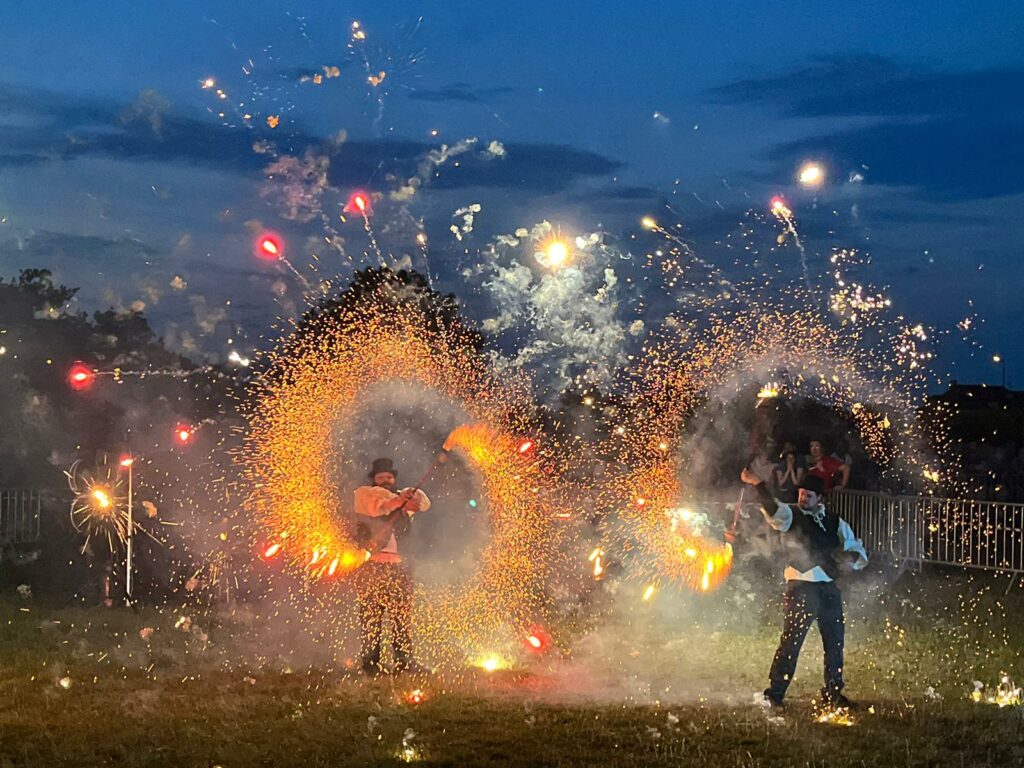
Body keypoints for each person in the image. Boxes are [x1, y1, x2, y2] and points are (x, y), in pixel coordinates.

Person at [740, 467, 868, 708]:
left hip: (828, 588)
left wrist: (850, 559)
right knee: (791, 642)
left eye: (808, 495)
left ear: (820, 498)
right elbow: (773, 509)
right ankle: (775, 694)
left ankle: (833, 693)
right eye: (801, 494)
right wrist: (758, 483)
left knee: (834, 642)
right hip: (801, 588)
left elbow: (856, 548)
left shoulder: (834, 521)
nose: (802, 498)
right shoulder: (791, 515)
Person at [353, 457, 431, 676]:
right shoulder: (364, 494)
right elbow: (381, 506)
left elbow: (423, 504)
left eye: (389, 477)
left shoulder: (402, 498)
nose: (385, 480)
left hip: (400, 568)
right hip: (372, 567)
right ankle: (371, 666)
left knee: (401, 618)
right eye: (381, 477)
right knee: (371, 618)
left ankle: (404, 663)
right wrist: (400, 499)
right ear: (374, 479)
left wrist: (409, 494)